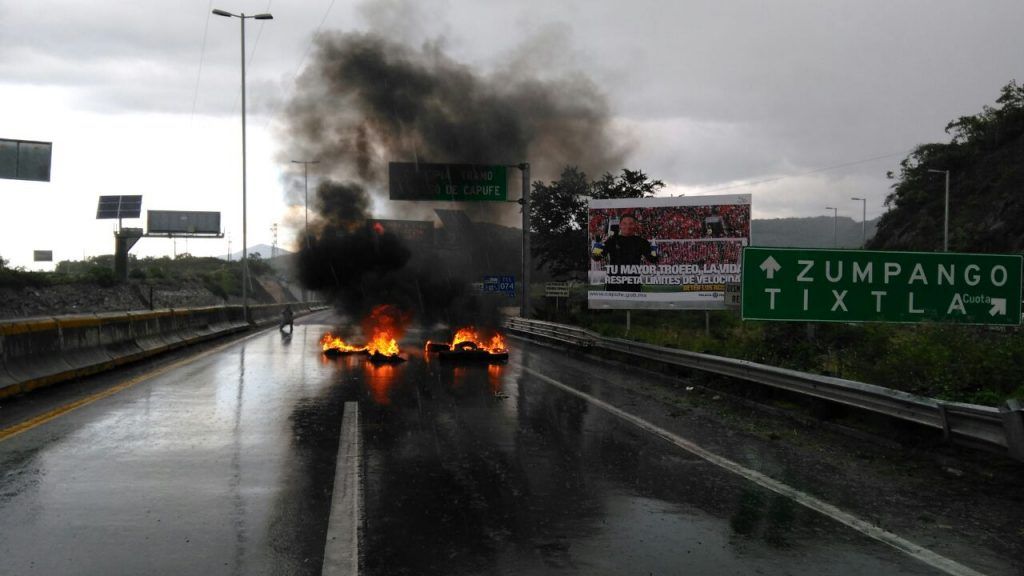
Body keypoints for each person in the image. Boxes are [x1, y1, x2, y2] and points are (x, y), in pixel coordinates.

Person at [591, 214, 658, 292]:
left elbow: (653, 259)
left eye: (631, 224)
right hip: (613, 284)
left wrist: (654, 247)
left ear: (635, 225)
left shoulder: (641, 242)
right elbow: (596, 257)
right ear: (620, 225)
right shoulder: (612, 241)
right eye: (624, 224)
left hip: (633, 283)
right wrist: (598, 244)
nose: (628, 226)